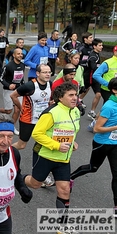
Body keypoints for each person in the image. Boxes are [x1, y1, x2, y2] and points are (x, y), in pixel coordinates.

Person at [24, 82, 80, 224]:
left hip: (63, 159)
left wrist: (72, 143)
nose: (75, 98)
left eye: (76, 95)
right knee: (36, 184)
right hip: (45, 155)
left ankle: (62, 224)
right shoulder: (51, 113)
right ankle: (17, 179)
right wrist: (56, 145)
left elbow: (70, 131)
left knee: (64, 190)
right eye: (71, 95)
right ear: (60, 97)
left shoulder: (76, 111)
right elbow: (37, 134)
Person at [70, 77, 117, 216]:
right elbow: (96, 129)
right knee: (93, 168)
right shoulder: (109, 106)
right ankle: (70, 177)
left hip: (115, 144)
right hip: (102, 143)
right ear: (114, 90)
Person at [10, 64, 52, 151]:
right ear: (37, 73)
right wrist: (20, 108)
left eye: (49, 72)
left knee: (43, 143)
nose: (48, 74)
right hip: (28, 120)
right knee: (21, 145)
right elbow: (13, 95)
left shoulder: (50, 84)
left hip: (43, 119)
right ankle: (4, 151)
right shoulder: (29, 86)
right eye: (45, 72)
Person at [0, 48, 25, 135]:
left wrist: (24, 87)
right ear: (14, 55)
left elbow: (21, 79)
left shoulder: (23, 65)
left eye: (21, 54)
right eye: (18, 54)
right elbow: (1, 78)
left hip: (18, 91)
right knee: (9, 111)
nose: (20, 55)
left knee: (17, 110)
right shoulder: (8, 66)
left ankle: (12, 126)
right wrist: (8, 85)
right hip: (8, 90)